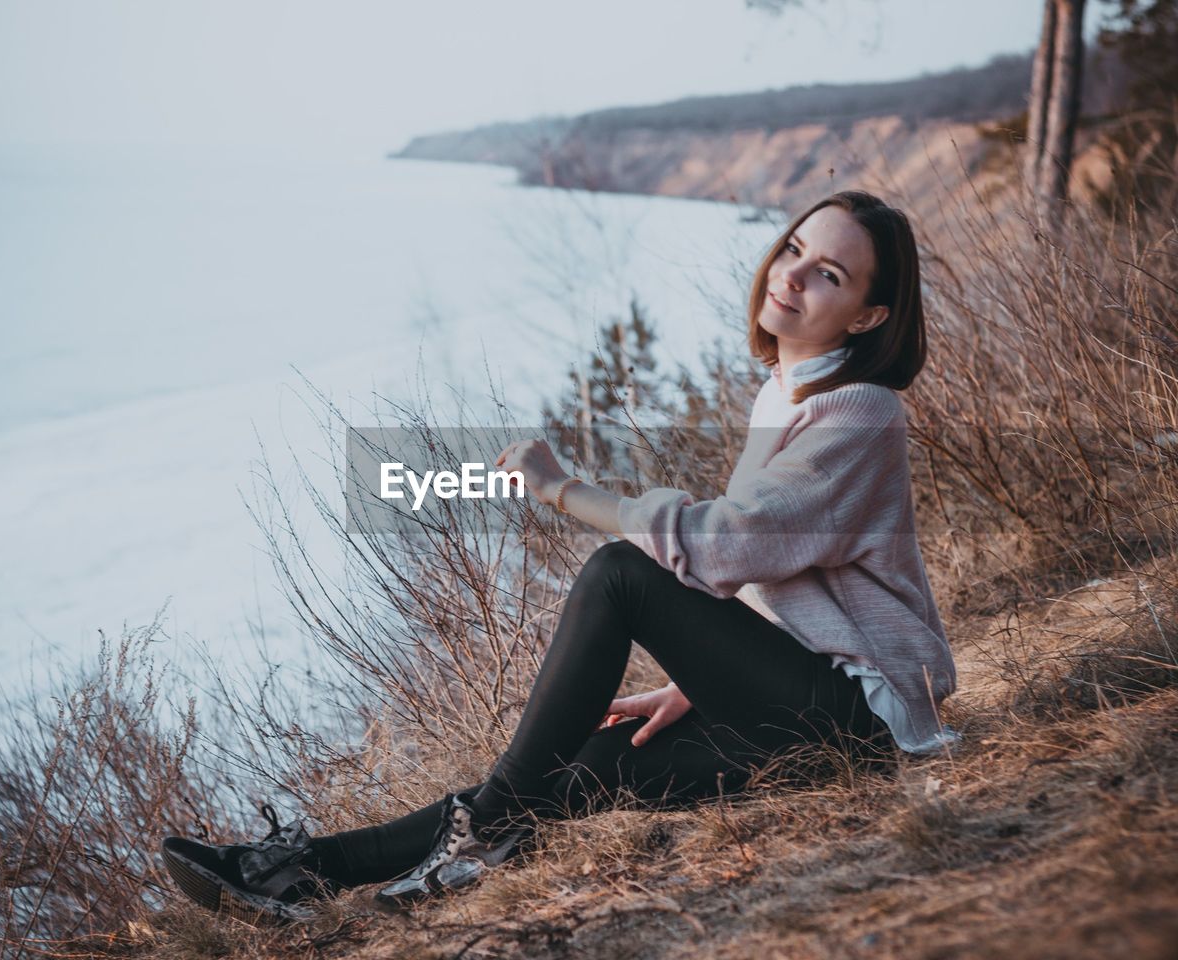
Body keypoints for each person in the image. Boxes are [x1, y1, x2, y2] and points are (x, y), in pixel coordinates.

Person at [160, 190, 959, 924]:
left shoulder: (862, 412)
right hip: (797, 715)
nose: (791, 276)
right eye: (792, 248)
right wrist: (696, 681)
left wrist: (565, 489)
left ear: (866, 317)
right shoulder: (785, 392)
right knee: (574, 771)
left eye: (829, 274)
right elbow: (782, 573)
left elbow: (725, 546)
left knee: (622, 574)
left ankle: (485, 834)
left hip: (859, 721)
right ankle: (304, 872)